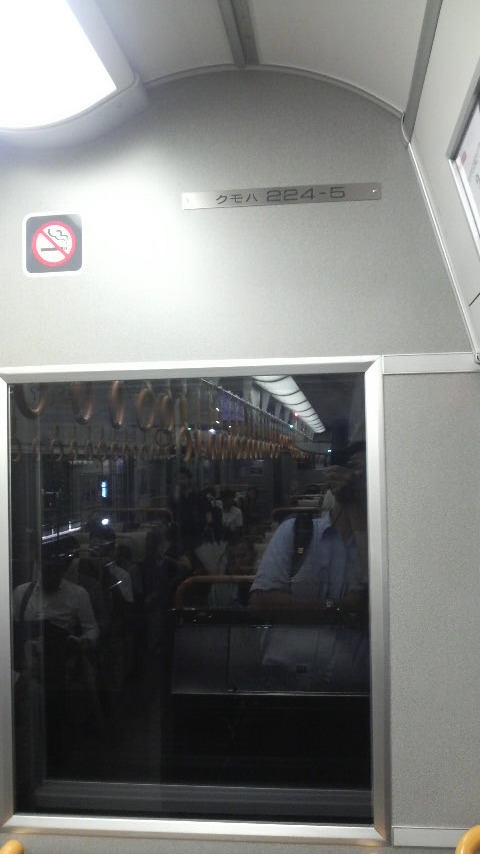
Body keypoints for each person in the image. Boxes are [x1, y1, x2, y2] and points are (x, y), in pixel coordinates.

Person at [249, 441, 369, 692]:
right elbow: (262, 602)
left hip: (354, 689)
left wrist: (357, 508)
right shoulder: (295, 532)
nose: (359, 477)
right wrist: (336, 607)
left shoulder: (375, 547)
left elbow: (375, 600)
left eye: (369, 472)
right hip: (284, 682)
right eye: (356, 468)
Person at [208, 535, 256, 609]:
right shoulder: (218, 589)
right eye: (232, 558)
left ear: (253, 556)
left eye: (242, 556)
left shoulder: (264, 584)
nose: (237, 562)